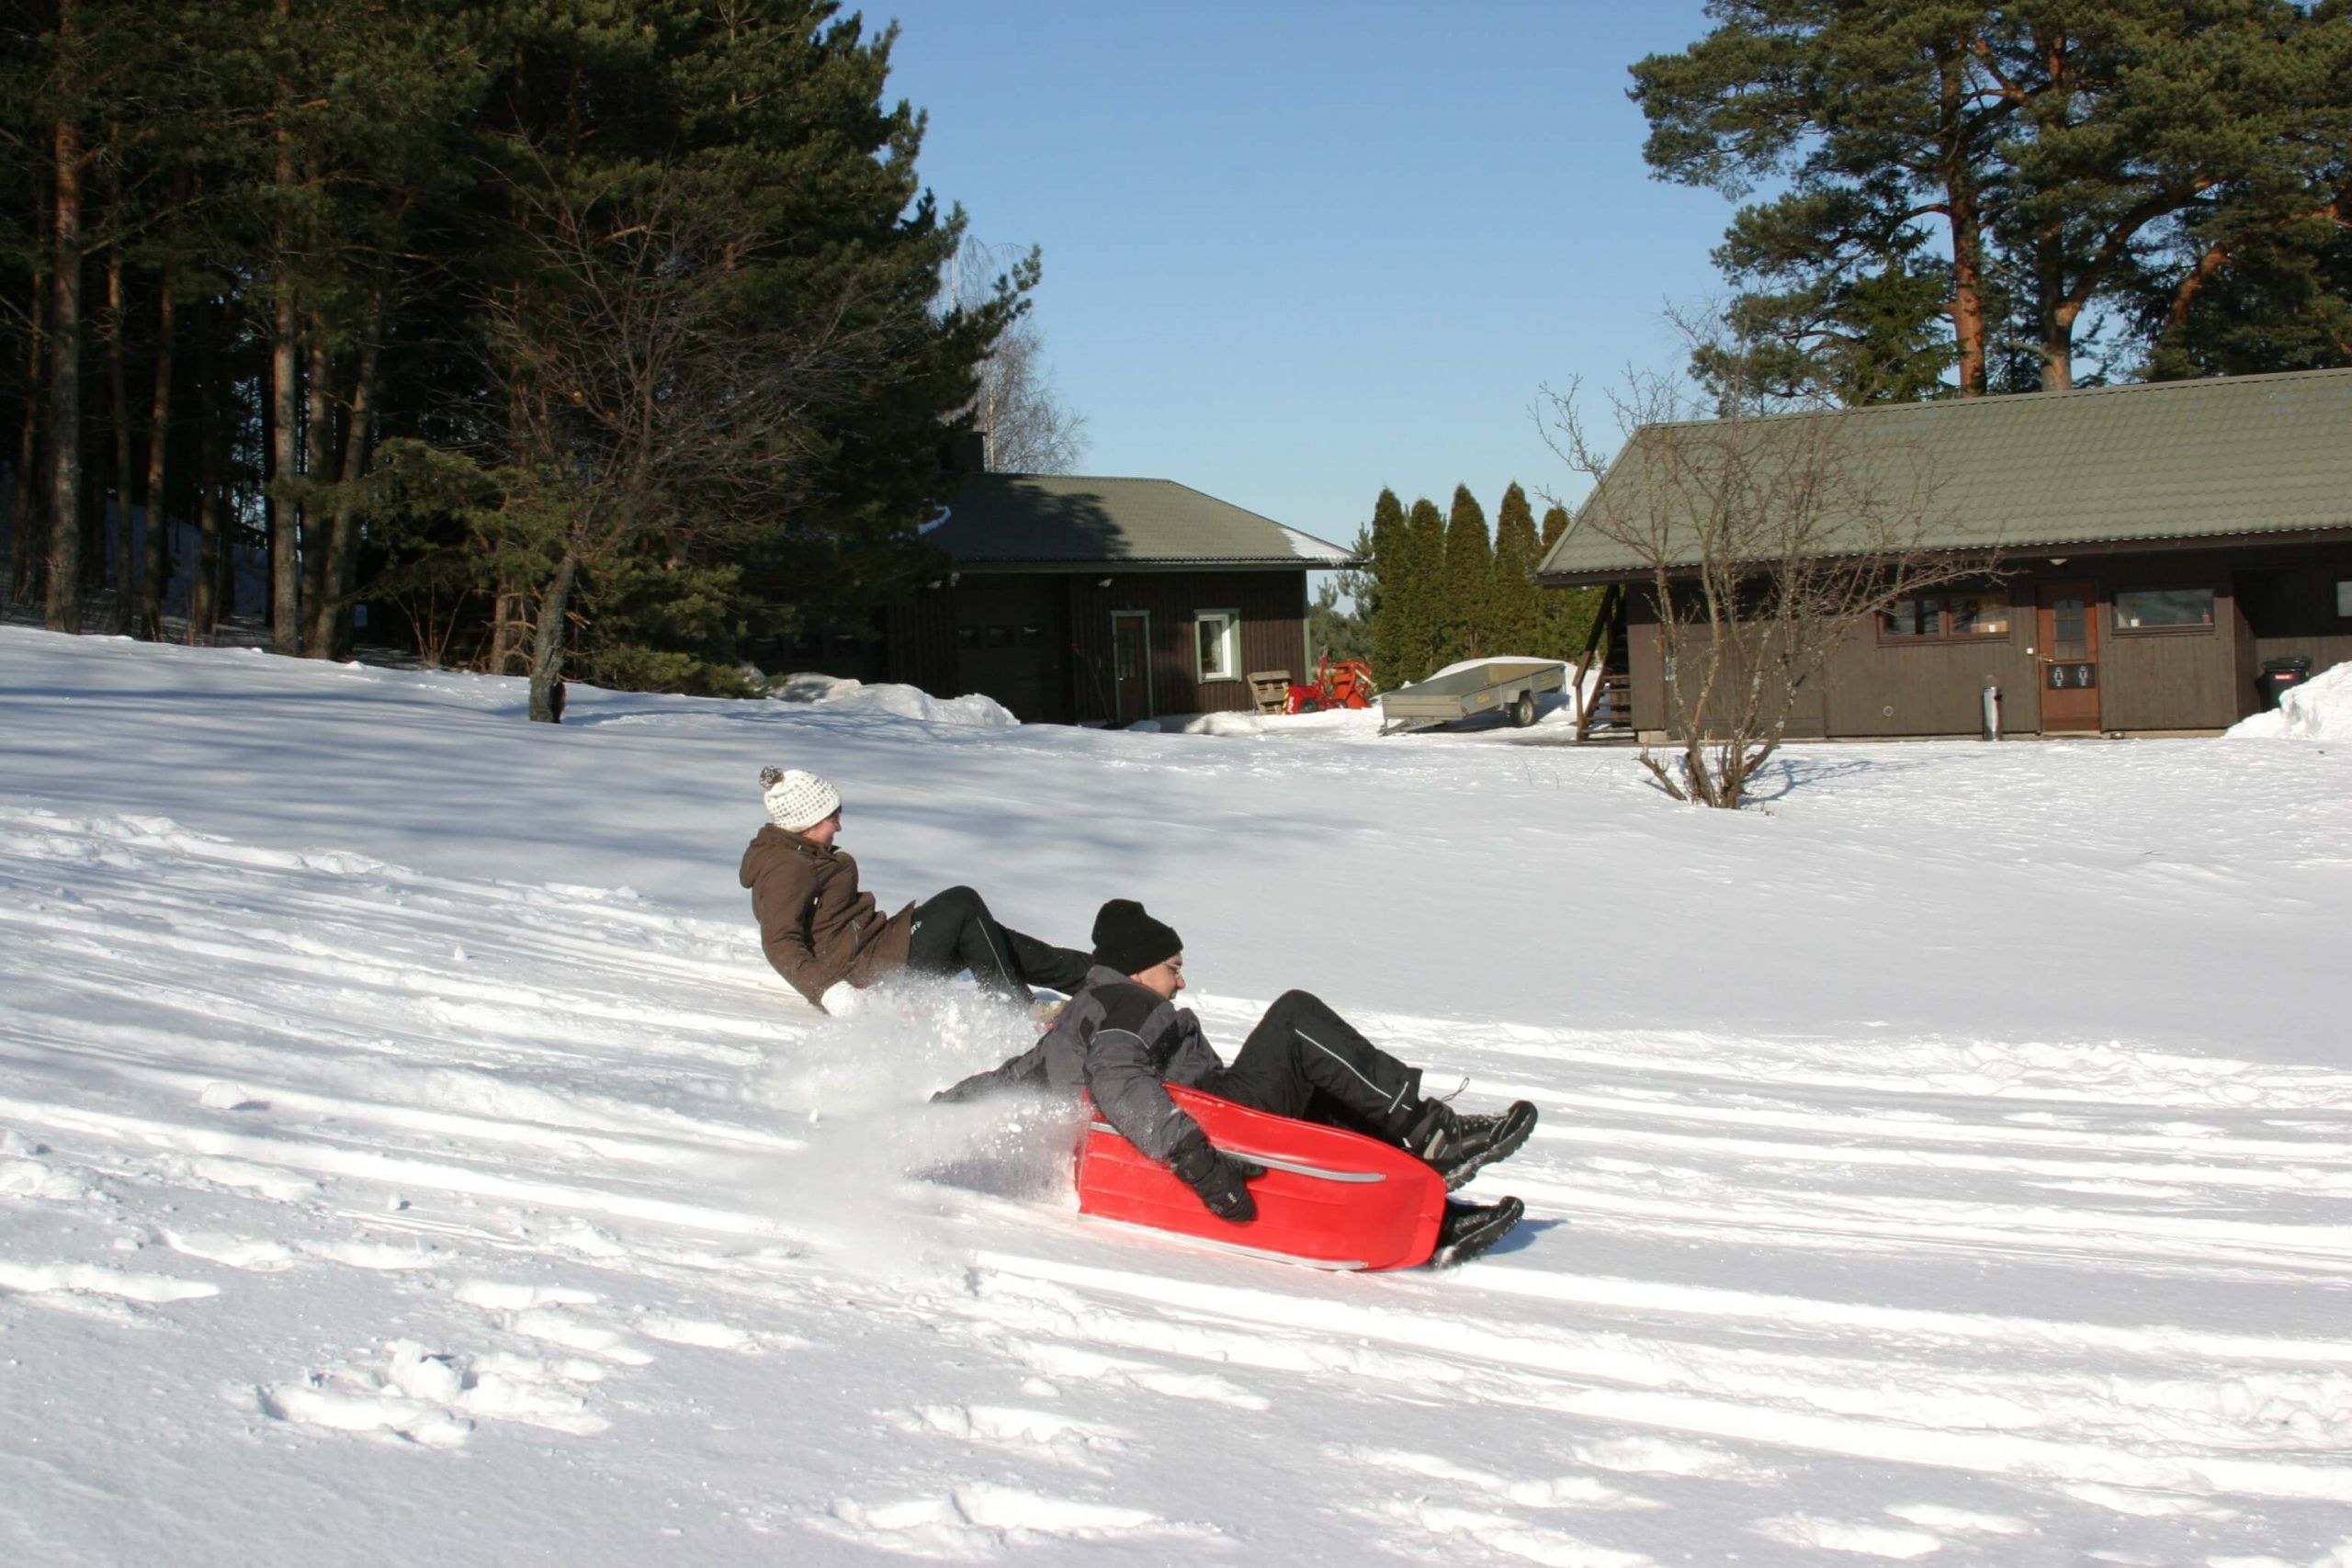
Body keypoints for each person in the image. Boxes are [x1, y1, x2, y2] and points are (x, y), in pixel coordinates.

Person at [935, 898, 1535, 1263]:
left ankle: (1429, 1203)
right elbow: (1115, 1076)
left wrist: (935, 1113)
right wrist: (1194, 1155)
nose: (1182, 981)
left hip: (1209, 1113)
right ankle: (1432, 1134)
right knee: (1296, 1020)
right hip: (1215, 1121)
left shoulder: (1082, 1012)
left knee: (1323, 1084)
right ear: (1142, 967)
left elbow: (1011, 1077)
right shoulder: (1125, 1002)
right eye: (1174, 967)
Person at [742, 767, 1091, 1015]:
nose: (839, 825)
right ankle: (1015, 1010)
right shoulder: (787, 867)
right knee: (961, 902)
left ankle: (1101, 980)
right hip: (866, 974)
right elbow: (779, 942)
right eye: (833, 817)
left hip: (877, 952)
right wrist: (830, 993)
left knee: (986, 935)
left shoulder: (801, 854)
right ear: (808, 820)